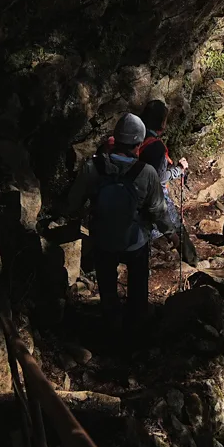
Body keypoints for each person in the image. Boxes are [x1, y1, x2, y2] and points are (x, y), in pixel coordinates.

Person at [63, 112, 168, 335]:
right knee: (138, 282)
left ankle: (113, 323)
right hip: (135, 242)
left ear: (115, 139)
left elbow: (73, 203)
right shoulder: (146, 173)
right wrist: (172, 233)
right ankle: (137, 323)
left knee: (107, 285)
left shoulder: (92, 167)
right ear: (139, 144)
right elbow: (159, 210)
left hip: (102, 239)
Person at [136, 99, 196, 264]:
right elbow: (160, 177)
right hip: (156, 197)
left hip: (135, 197)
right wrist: (179, 170)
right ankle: (193, 264)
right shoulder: (156, 146)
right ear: (162, 122)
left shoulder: (135, 136)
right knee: (176, 229)